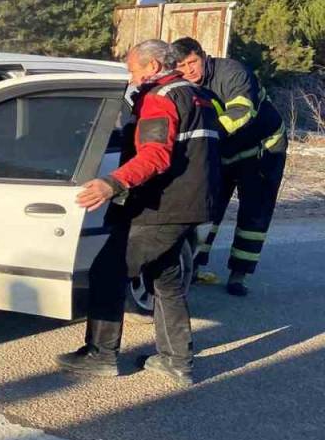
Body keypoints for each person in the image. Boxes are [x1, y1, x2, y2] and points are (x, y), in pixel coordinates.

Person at [56, 39, 220, 386]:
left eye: (133, 70)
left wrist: (111, 183)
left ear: (153, 67)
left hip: (161, 206)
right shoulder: (199, 95)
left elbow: (156, 156)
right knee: (166, 278)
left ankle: (100, 355)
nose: (130, 78)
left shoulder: (160, 99)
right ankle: (177, 361)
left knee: (106, 272)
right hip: (191, 203)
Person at [173, 37, 287, 297]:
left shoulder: (232, 72)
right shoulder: (181, 84)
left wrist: (204, 137)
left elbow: (241, 112)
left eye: (193, 62)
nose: (189, 70)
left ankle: (240, 273)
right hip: (222, 151)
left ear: (203, 56)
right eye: (181, 66)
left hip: (262, 150)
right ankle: (196, 266)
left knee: (254, 213)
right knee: (207, 207)